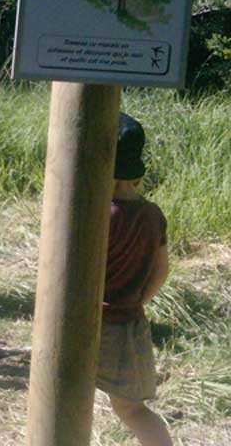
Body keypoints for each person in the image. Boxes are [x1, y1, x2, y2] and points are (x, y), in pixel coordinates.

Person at [97, 112, 172, 446]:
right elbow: (161, 271)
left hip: (88, 324)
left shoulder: (98, 215)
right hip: (129, 326)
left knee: (64, 400)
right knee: (133, 411)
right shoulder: (153, 215)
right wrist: (138, 301)